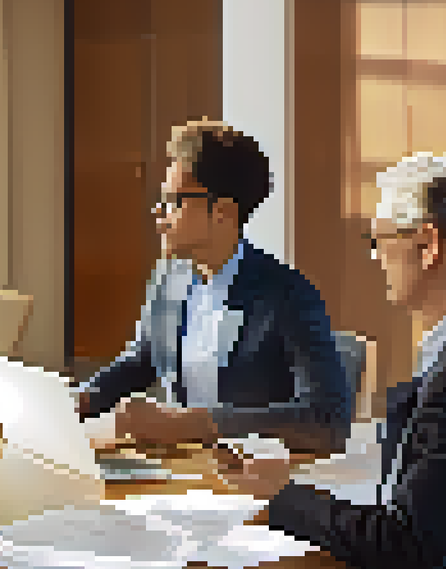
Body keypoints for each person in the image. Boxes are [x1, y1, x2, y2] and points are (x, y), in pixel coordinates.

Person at [207, 153, 446, 569]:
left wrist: (282, 495)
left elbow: (407, 547)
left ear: (427, 245)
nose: (375, 256)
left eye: (378, 238)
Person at [76, 120, 351, 454]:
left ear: (222, 212)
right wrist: (81, 401)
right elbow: (143, 360)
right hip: (182, 471)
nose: (159, 214)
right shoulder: (171, 279)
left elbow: (327, 422)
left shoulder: (287, 295)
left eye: (174, 201)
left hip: (251, 480)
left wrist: (194, 425)